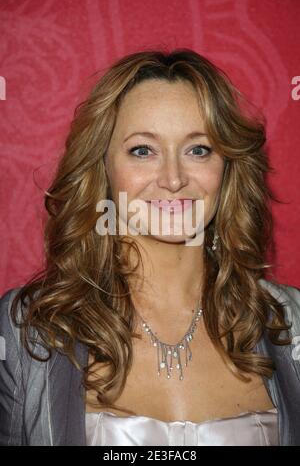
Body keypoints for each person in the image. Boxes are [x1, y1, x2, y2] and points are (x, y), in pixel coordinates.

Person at [0, 48, 300, 446]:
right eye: (143, 150)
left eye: (199, 149)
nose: (173, 179)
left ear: (227, 167)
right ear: (102, 166)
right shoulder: (25, 331)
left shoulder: (291, 322)